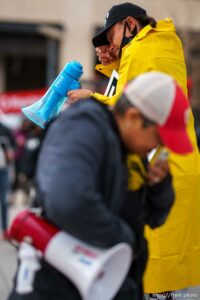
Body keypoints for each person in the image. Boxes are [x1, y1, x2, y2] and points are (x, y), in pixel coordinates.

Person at [8, 72, 193, 300]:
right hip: (57, 288)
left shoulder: (130, 149)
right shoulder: (82, 128)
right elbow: (68, 201)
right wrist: (126, 241)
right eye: (159, 136)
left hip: (104, 286)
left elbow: (152, 218)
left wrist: (160, 187)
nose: (160, 145)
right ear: (134, 117)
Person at [67, 2, 200, 298]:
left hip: (162, 163)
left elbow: (126, 106)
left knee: (155, 270)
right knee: (168, 269)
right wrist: (112, 62)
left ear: (130, 24)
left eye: (110, 34)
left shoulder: (141, 50)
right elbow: (136, 84)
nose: (109, 43)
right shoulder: (162, 43)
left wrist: (91, 97)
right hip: (178, 160)